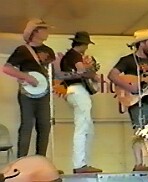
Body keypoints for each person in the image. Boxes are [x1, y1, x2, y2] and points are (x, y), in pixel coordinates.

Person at [108, 29, 148, 171]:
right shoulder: (127, 60)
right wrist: (130, 88)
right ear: (141, 43)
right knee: (139, 131)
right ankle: (139, 163)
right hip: (137, 101)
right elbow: (112, 75)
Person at [2, 19, 55, 158]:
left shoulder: (49, 51)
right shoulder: (23, 50)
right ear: (35, 32)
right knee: (27, 126)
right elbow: (7, 68)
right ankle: (22, 161)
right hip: (27, 94)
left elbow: (53, 72)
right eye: (44, 29)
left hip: (44, 93)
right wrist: (25, 76)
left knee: (44, 125)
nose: (47, 32)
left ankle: (41, 160)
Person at [60, 31, 102, 173]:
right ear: (83, 44)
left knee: (87, 127)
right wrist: (93, 74)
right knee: (82, 127)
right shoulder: (75, 55)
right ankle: (79, 164)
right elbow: (82, 71)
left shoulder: (68, 56)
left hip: (73, 91)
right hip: (77, 90)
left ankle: (84, 162)